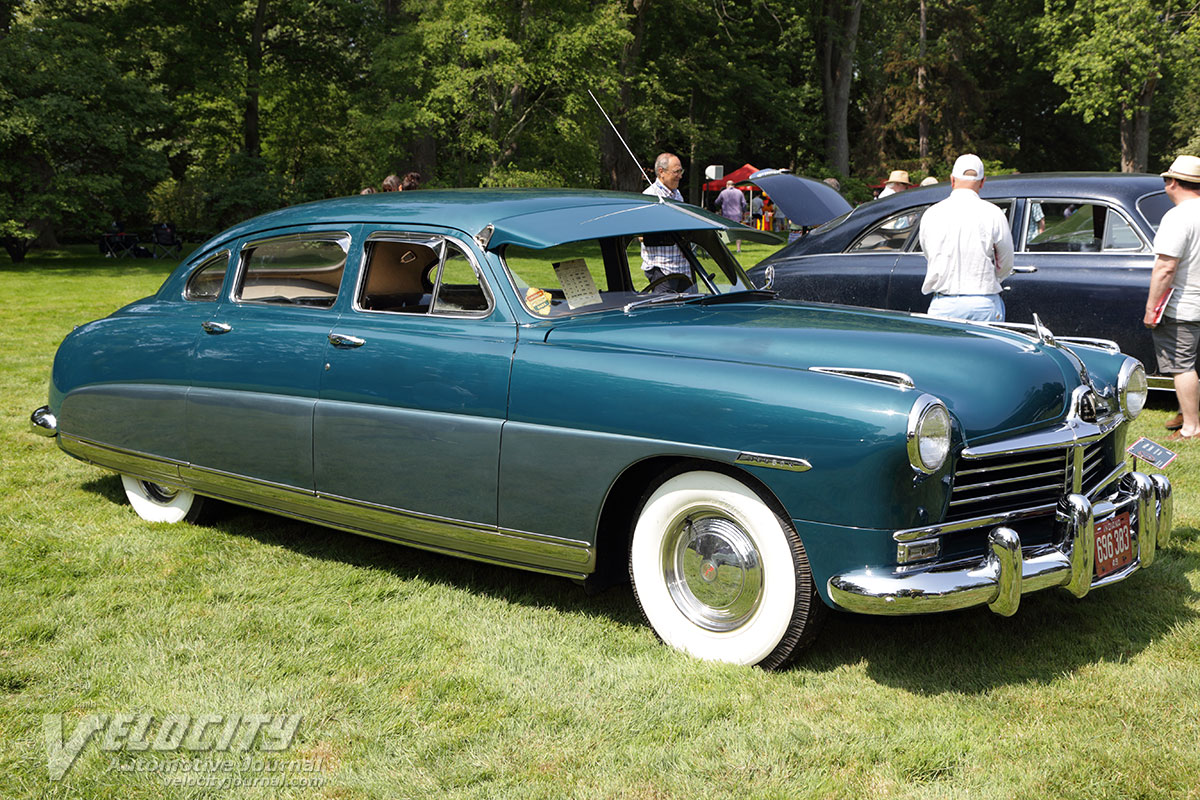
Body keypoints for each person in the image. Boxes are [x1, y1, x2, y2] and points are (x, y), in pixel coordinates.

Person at [918, 153, 1014, 322]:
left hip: (944, 303)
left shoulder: (932, 214)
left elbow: (929, 254)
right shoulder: (994, 213)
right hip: (983, 301)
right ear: (982, 182)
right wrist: (992, 278)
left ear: (952, 180)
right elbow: (1006, 262)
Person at [1144, 155, 1200, 441]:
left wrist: (1152, 308)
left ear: (1173, 183)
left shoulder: (1177, 216)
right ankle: (1185, 412)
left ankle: (1191, 428)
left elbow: (1166, 267)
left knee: (1182, 366)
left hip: (1185, 305)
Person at [640, 153, 692, 293]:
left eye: (681, 171)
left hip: (683, 268)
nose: (680, 176)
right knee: (665, 306)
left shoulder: (677, 194)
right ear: (661, 172)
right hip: (663, 268)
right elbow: (640, 235)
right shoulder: (650, 196)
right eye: (676, 172)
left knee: (692, 306)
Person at [715, 180, 746, 252]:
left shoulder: (723, 192)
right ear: (734, 185)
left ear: (727, 185)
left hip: (726, 214)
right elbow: (744, 203)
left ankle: (724, 248)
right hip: (737, 214)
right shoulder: (739, 192)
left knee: (724, 232)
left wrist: (720, 206)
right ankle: (738, 249)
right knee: (738, 232)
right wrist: (743, 211)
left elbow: (717, 202)